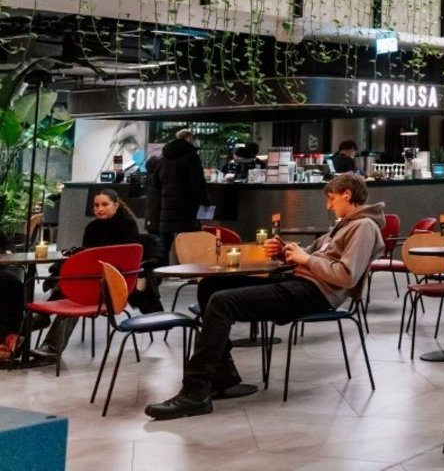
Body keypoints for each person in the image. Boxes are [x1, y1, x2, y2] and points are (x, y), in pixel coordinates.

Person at [144, 173, 385, 420]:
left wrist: (305, 259)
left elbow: (346, 276)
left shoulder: (364, 227)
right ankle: (224, 377)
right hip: (298, 283)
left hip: (316, 293)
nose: (328, 205)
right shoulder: (343, 226)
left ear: (347, 194)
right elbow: (310, 255)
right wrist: (284, 252)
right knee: (210, 286)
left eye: (331, 198)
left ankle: (194, 393)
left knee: (222, 302)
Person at [28, 188, 164, 362]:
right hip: (93, 280)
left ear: (116, 205)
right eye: (96, 205)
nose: (99, 209)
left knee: (77, 295)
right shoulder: (92, 228)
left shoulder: (127, 226)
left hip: (114, 284)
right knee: (75, 285)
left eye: (105, 204)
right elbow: (88, 258)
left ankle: (50, 342)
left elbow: (123, 262)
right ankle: (18, 344)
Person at [149, 129, 209, 263]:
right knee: (191, 245)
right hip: (187, 211)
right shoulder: (192, 158)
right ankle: (190, 271)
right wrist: (206, 203)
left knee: (164, 248)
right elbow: (198, 184)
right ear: (189, 140)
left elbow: (155, 186)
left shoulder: (163, 159)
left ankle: (162, 272)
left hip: (166, 212)